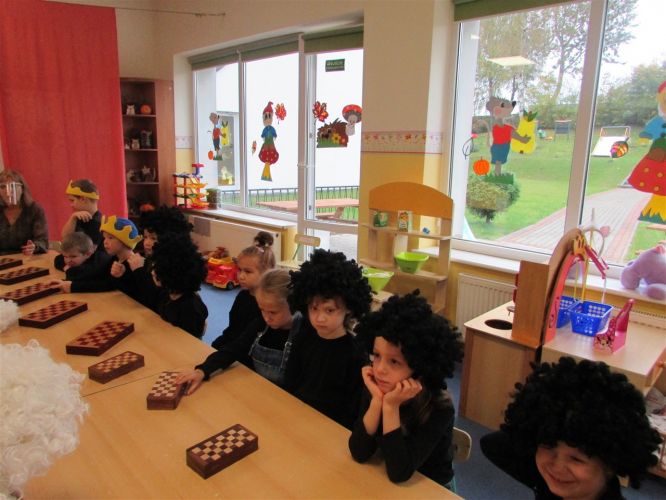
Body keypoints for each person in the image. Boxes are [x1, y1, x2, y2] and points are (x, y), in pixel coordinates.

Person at [480, 357, 661, 500]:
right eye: (549, 445)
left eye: (576, 459)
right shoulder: (550, 482)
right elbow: (492, 444)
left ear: (610, 466)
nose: (558, 467)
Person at [348, 291, 464, 488]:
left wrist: (390, 407)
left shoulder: (439, 408)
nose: (380, 369)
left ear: (419, 367)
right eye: (376, 355)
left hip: (433, 488)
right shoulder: (377, 388)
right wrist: (377, 402)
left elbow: (399, 472)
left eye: (394, 361)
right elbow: (359, 452)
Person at [284, 249, 372, 429]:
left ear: (348, 308)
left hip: (331, 426)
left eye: (329, 310)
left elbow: (353, 407)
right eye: (314, 308)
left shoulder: (355, 354)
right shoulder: (303, 338)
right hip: (295, 415)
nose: (320, 318)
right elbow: (290, 382)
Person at [176, 268, 302, 391]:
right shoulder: (261, 324)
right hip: (258, 388)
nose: (266, 317)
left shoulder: (304, 333)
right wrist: (202, 371)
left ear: (294, 306)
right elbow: (235, 348)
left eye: (273, 312)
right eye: (262, 309)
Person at [209, 231, 276, 350]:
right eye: (239, 270)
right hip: (233, 347)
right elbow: (233, 329)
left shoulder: (268, 305)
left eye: (248, 271)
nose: (241, 276)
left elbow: (249, 341)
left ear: (266, 271)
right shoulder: (242, 296)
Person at [121, 205, 194, 311]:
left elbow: (154, 300)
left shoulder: (173, 267)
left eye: (153, 238)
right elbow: (137, 292)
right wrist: (123, 275)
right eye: (145, 237)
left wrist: (139, 271)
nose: (146, 243)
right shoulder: (151, 259)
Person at [150, 233, 208, 339]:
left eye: (158, 269)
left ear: (173, 274)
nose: (152, 272)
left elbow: (190, 341)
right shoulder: (166, 293)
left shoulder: (190, 309)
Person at [0, 169, 48, 256]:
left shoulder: (34, 210)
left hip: (28, 258)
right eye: (3, 187)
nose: (8, 191)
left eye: (13, 186)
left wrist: (34, 247)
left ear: (22, 189)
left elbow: (42, 241)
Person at [60, 179, 103, 249]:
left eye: (72, 200)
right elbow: (65, 238)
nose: (71, 205)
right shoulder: (78, 217)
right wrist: (72, 219)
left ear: (83, 199)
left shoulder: (97, 223)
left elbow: (88, 251)